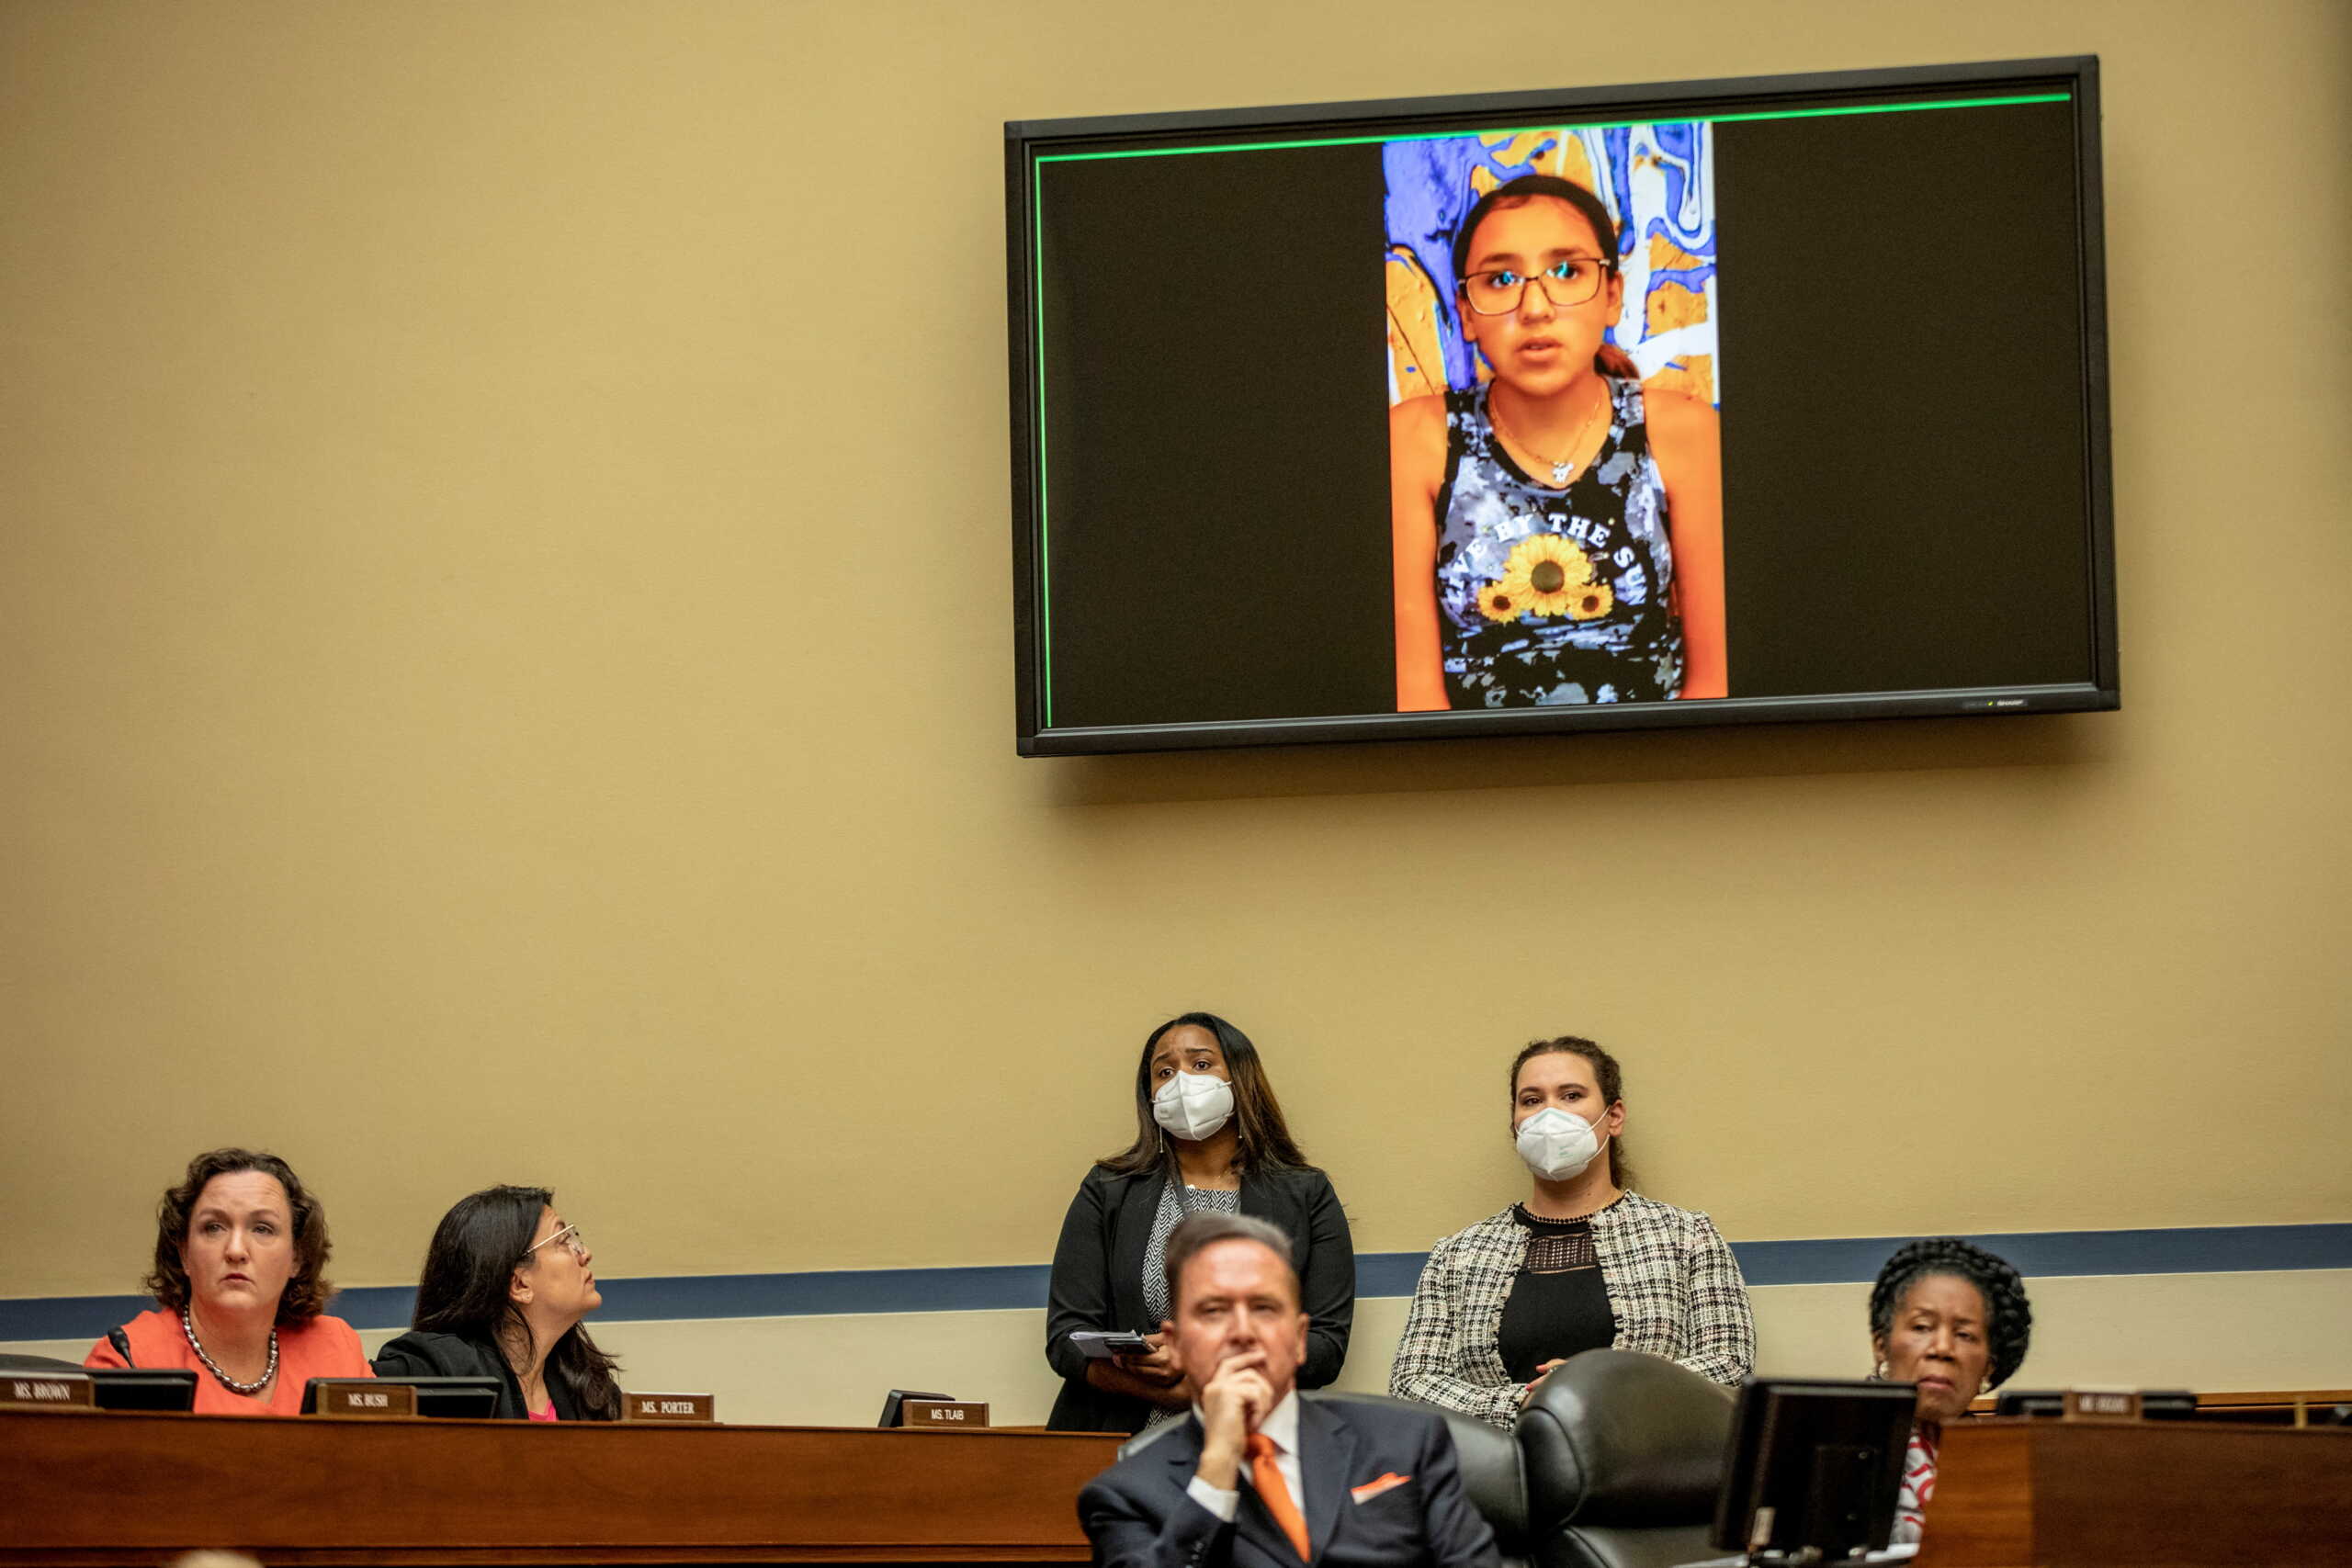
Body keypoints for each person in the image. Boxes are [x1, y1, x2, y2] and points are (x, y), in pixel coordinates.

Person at [1390, 174, 1727, 711]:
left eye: (1567, 272)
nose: (1536, 307)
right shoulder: (1417, 441)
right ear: (1467, 312)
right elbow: (1415, 699)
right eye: (1500, 279)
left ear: (1613, 295)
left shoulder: (1680, 433)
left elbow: (1716, 686)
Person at [1080, 1212, 1498, 1568]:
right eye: (1213, 1311)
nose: (1242, 1332)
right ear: (1177, 1344)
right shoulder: (1124, 1495)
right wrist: (1219, 1464)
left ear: (1299, 1339)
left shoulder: (1408, 1442)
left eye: (1264, 1308)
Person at [1389, 1035, 1753, 1427]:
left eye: (1571, 1096)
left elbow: (1729, 1364)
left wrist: (1598, 1387)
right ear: (1515, 1126)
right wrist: (1526, 1403)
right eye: (1531, 1100)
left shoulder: (1686, 1235)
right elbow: (1410, 1383)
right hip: (1500, 1476)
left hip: (1647, 1472)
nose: (1550, 1114)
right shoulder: (1458, 1255)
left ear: (1613, 1117)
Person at [1046, 1012, 1354, 1434]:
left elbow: (1323, 1348)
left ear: (1239, 1080)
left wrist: (1198, 1364)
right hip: (1114, 1435)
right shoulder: (1109, 1188)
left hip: (1257, 1437)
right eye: (1164, 1072)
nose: (1181, 1082)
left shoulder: (1305, 1193)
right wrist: (1171, 1393)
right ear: (1150, 1094)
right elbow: (1066, 1339)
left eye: (1201, 1064)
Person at [85, 1148, 371, 1415]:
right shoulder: (130, 1360)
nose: (235, 1250)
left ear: (296, 1258)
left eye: (262, 1228)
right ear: (184, 1253)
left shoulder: (335, 1348)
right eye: (214, 1227)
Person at [373, 1185, 621, 1420]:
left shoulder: (586, 1384)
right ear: (519, 1285)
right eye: (563, 1241)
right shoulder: (435, 1368)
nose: (585, 1253)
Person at [1868, 1237, 2032, 1545]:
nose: (1942, 1348)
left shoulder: (2000, 1467)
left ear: (1988, 1367)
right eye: (1921, 1327)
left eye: (1965, 1335)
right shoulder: (1839, 1443)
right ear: (1882, 1346)